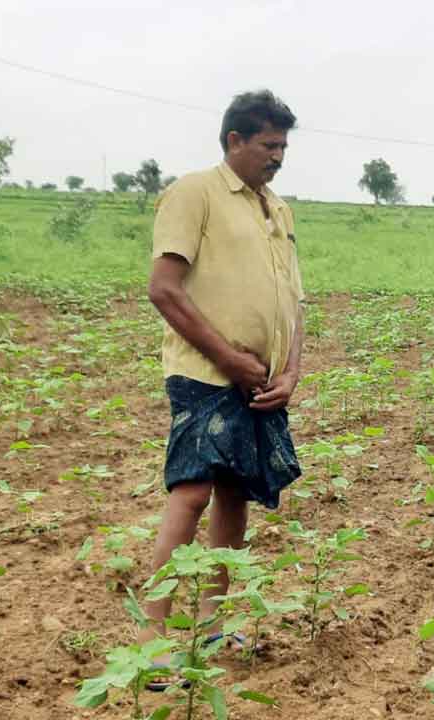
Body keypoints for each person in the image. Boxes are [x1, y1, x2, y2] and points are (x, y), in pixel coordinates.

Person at [141, 89, 304, 689]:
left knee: (236, 495)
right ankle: (154, 642)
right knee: (191, 492)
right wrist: (230, 358)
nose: (278, 156)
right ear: (235, 140)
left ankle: (213, 622)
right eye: (269, 145)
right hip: (206, 374)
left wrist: (290, 372)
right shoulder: (195, 193)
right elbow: (165, 289)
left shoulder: (277, 209)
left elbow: (294, 302)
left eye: (284, 146)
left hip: (260, 381)